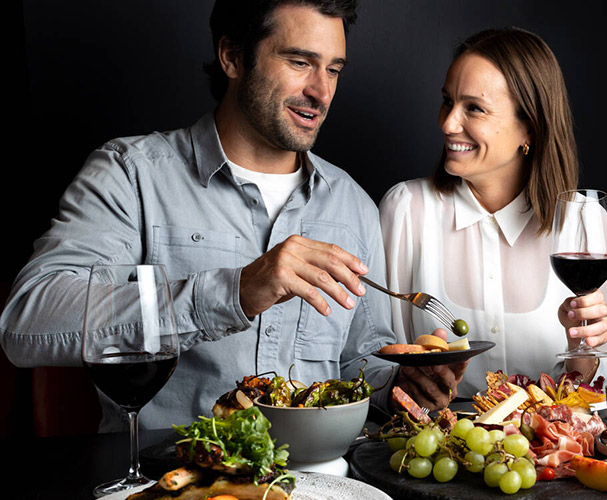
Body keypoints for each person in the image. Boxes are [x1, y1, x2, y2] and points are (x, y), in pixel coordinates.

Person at [0, 0, 460, 432]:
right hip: (174, 483)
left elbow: (359, 360)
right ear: (233, 58)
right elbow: (27, 322)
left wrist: (398, 386)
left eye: (333, 69)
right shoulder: (130, 175)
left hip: (319, 485)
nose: (321, 91)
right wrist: (234, 291)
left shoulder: (354, 205)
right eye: (300, 62)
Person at [379, 27, 607, 398]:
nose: (448, 123)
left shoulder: (594, 226)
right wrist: (408, 384)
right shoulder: (405, 211)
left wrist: (584, 355)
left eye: (474, 108)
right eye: (447, 101)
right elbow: (378, 365)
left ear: (529, 128)